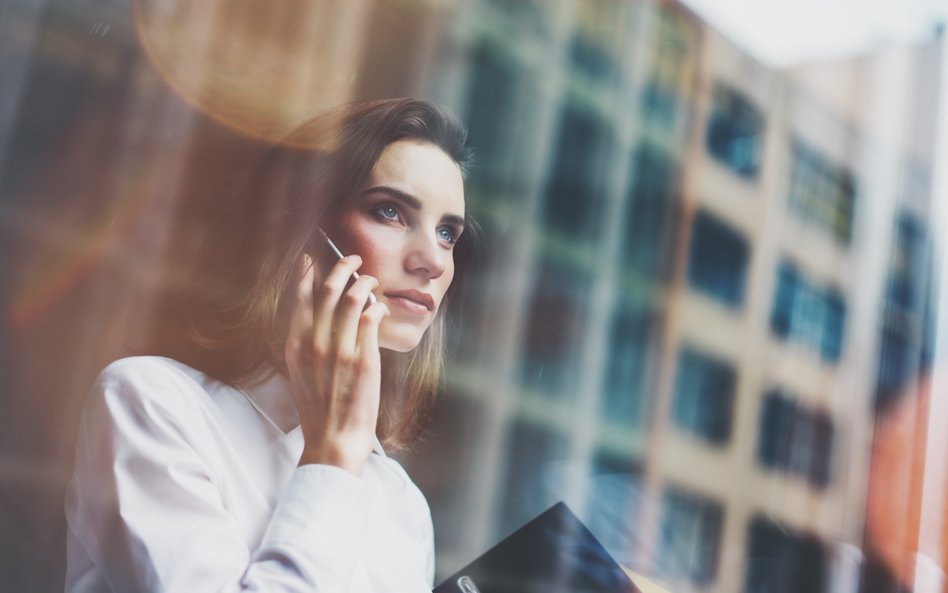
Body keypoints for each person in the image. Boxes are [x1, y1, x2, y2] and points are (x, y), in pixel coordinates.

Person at [64, 97, 475, 592]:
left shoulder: (402, 506)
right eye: (389, 211)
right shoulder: (149, 403)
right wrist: (332, 459)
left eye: (448, 232)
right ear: (302, 228)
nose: (433, 259)